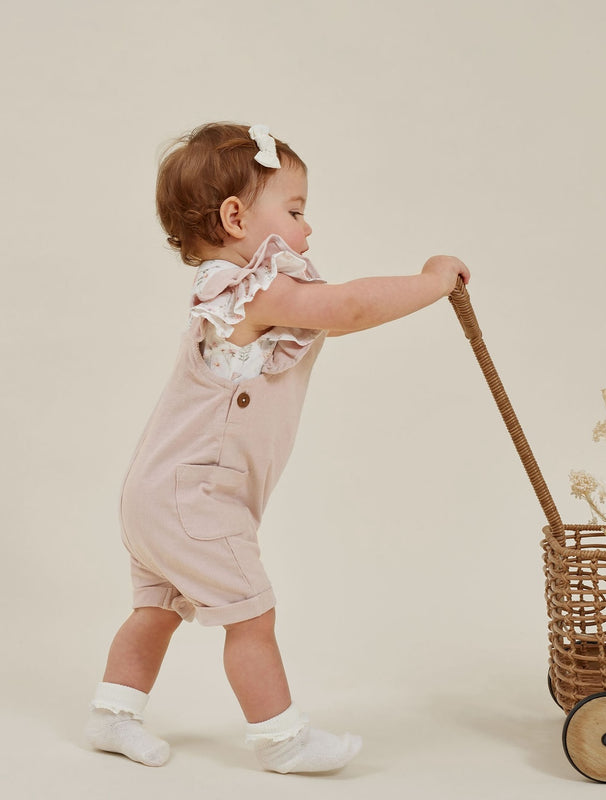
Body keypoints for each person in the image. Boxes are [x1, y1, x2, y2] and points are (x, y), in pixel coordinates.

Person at [85, 122, 470, 774]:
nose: (307, 229)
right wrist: (431, 281)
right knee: (252, 615)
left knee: (156, 610)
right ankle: (281, 738)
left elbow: (331, 315)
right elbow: (345, 309)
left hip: (156, 491)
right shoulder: (247, 290)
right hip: (194, 495)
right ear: (236, 217)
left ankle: (113, 713)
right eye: (294, 211)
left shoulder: (244, 294)